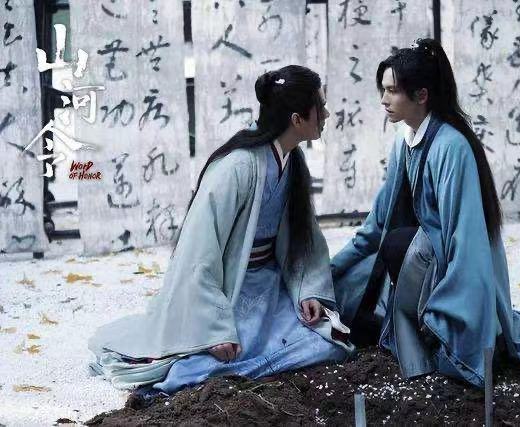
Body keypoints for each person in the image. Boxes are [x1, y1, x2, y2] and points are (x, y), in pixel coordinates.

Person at [88, 65, 353, 402]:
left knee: (327, 342)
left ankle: (242, 365)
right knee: (222, 354)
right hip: (231, 288)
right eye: (321, 106)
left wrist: (307, 290)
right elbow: (198, 250)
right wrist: (214, 328)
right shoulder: (236, 166)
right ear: (298, 119)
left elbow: (304, 240)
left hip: (269, 283)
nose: (326, 114)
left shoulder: (292, 160)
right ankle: (191, 373)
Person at [330, 38, 520, 387]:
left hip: (456, 263)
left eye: (392, 91)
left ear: (421, 95)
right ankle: (414, 338)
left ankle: (433, 338)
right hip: (425, 257)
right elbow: (377, 222)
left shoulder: (452, 146)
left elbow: (467, 239)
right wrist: (331, 270)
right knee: (360, 283)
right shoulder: (404, 140)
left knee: (398, 246)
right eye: (383, 90)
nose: (384, 100)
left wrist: (461, 310)